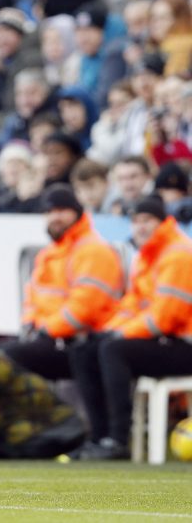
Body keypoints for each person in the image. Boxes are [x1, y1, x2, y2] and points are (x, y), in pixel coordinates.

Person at [69, 195, 192, 460]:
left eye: (147, 220)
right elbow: (130, 307)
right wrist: (108, 330)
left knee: (114, 350)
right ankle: (98, 438)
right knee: (85, 349)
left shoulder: (178, 253)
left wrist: (121, 333)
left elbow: (165, 317)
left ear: (164, 222)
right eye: (135, 221)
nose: (140, 227)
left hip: (184, 344)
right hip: (163, 340)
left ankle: (117, 440)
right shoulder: (147, 256)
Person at [4, 184, 123, 384]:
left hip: (81, 343)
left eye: (61, 210)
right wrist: (31, 325)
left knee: (6, 357)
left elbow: (84, 309)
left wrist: (47, 331)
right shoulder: (48, 254)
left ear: (76, 212)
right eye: (49, 212)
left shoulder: (94, 250)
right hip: (51, 339)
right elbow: (32, 297)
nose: (54, 217)